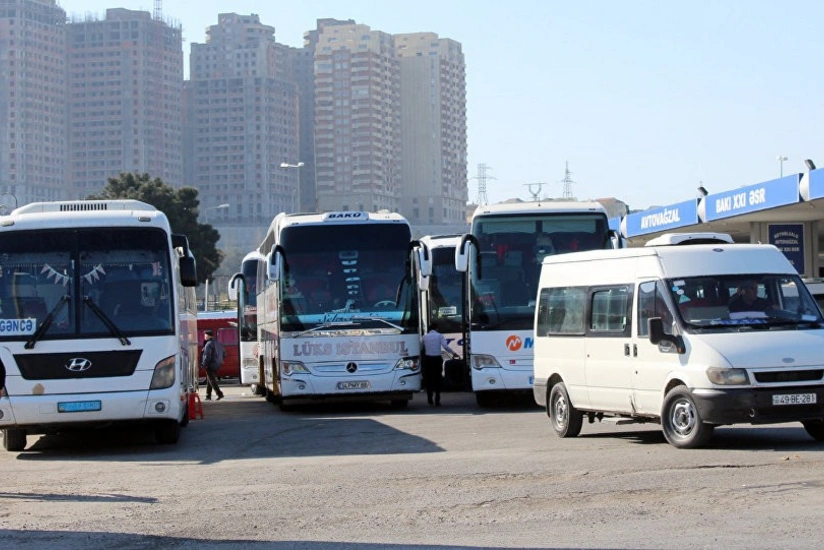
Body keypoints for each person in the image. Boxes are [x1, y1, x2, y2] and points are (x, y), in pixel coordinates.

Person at [420, 321, 455, 407]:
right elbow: (445, 347)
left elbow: (420, 347)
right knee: (437, 379)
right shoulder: (439, 336)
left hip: (428, 359)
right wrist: (453, 353)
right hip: (437, 359)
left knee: (429, 379)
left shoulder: (424, 337)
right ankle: (437, 399)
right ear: (436, 328)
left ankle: (429, 398)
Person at [201, 329, 225, 401]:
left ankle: (219, 394)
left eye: (205, 335)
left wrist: (203, 364)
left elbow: (207, 356)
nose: (204, 336)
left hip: (210, 364)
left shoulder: (208, 344)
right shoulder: (218, 343)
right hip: (217, 364)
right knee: (210, 379)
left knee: (212, 380)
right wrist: (219, 359)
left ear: (208, 336)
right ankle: (208, 396)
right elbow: (224, 353)